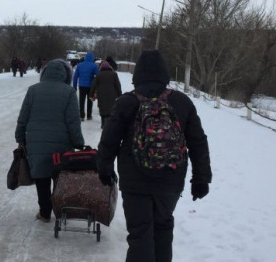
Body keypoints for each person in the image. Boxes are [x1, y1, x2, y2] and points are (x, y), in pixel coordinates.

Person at [97, 50, 212, 262]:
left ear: (137, 74)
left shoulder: (127, 102)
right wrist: (201, 179)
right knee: (163, 229)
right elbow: (198, 142)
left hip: (135, 181)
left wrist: (104, 168)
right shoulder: (181, 102)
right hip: (171, 180)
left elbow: (109, 139)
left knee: (140, 233)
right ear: (165, 73)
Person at [15, 59, 85, 223]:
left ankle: (45, 211)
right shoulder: (68, 92)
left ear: (44, 73)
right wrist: (78, 142)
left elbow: (23, 116)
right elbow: (73, 121)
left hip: (36, 141)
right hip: (61, 143)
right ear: (66, 75)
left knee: (42, 176)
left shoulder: (33, 90)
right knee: (60, 176)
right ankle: (61, 209)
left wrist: (20, 136)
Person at [89, 60, 122, 129]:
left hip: (101, 94)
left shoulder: (99, 75)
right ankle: (108, 124)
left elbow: (93, 86)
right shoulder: (114, 74)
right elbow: (118, 86)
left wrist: (91, 94)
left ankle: (103, 124)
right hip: (113, 95)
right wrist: (120, 95)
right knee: (110, 108)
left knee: (102, 108)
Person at [72, 52, 99, 121]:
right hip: (90, 86)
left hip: (82, 85)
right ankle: (89, 115)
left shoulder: (80, 65)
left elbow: (75, 76)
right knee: (90, 100)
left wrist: (74, 86)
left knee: (81, 101)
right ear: (92, 58)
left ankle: (81, 116)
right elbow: (98, 76)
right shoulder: (94, 65)